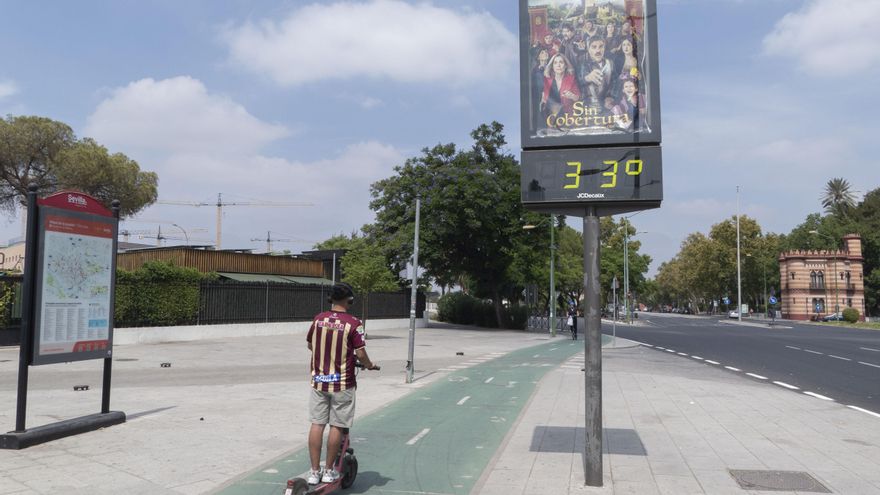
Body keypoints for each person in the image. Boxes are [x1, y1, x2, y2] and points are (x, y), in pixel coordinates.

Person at [305, 282, 379, 485]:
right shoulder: (354, 323)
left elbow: (311, 344)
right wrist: (370, 365)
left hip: (319, 381)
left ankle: (313, 472)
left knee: (317, 424)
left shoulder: (319, 319)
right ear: (350, 300)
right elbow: (361, 353)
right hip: (342, 384)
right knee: (337, 425)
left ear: (330, 299)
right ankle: (329, 470)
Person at [578, 36, 614, 111]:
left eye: (601, 47)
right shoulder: (582, 64)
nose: (598, 50)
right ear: (588, 49)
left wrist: (611, 96)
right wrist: (587, 78)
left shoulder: (610, 63)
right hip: (588, 107)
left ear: (604, 48)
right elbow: (576, 82)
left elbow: (615, 81)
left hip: (607, 106)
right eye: (594, 47)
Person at [541, 53, 581, 119]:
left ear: (565, 66)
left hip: (568, 117)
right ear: (552, 66)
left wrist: (572, 96)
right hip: (551, 118)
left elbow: (578, 98)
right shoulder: (547, 81)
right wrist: (543, 100)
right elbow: (544, 101)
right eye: (555, 63)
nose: (558, 65)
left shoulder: (571, 79)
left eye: (561, 62)